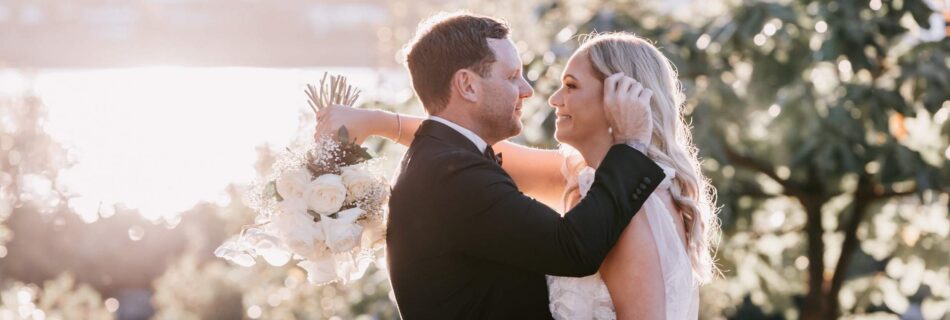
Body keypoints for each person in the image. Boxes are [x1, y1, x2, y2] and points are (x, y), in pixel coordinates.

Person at [315, 13, 691, 319]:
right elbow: (572, 247)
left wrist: (378, 122)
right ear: (467, 85)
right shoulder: (455, 173)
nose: (539, 94)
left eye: (572, 86)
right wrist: (631, 144)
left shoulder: (617, 192)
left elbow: (458, 137)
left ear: (621, 100)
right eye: (512, 76)